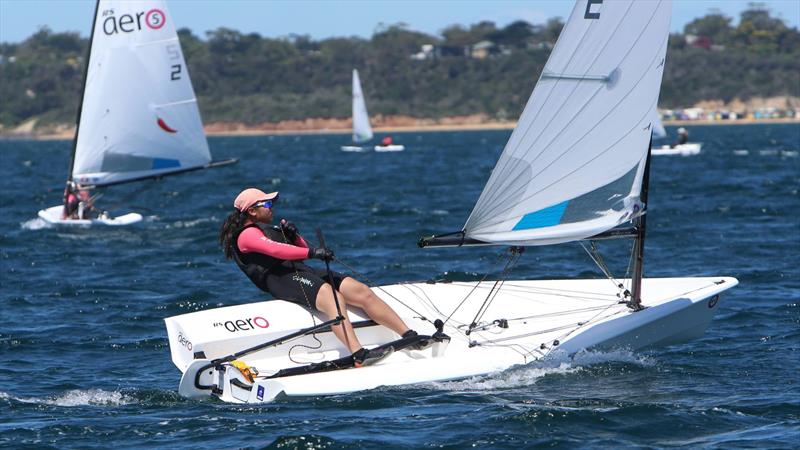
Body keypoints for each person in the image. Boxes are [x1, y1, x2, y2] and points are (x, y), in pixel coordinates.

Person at [219, 188, 417, 367]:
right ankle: (358, 354)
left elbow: (302, 249)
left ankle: (408, 335)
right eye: (267, 204)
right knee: (334, 298)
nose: (272, 208)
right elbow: (276, 250)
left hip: (299, 269)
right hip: (280, 278)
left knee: (360, 291)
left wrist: (294, 235)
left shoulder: (269, 229)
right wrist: (313, 253)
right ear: (252, 211)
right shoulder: (246, 235)